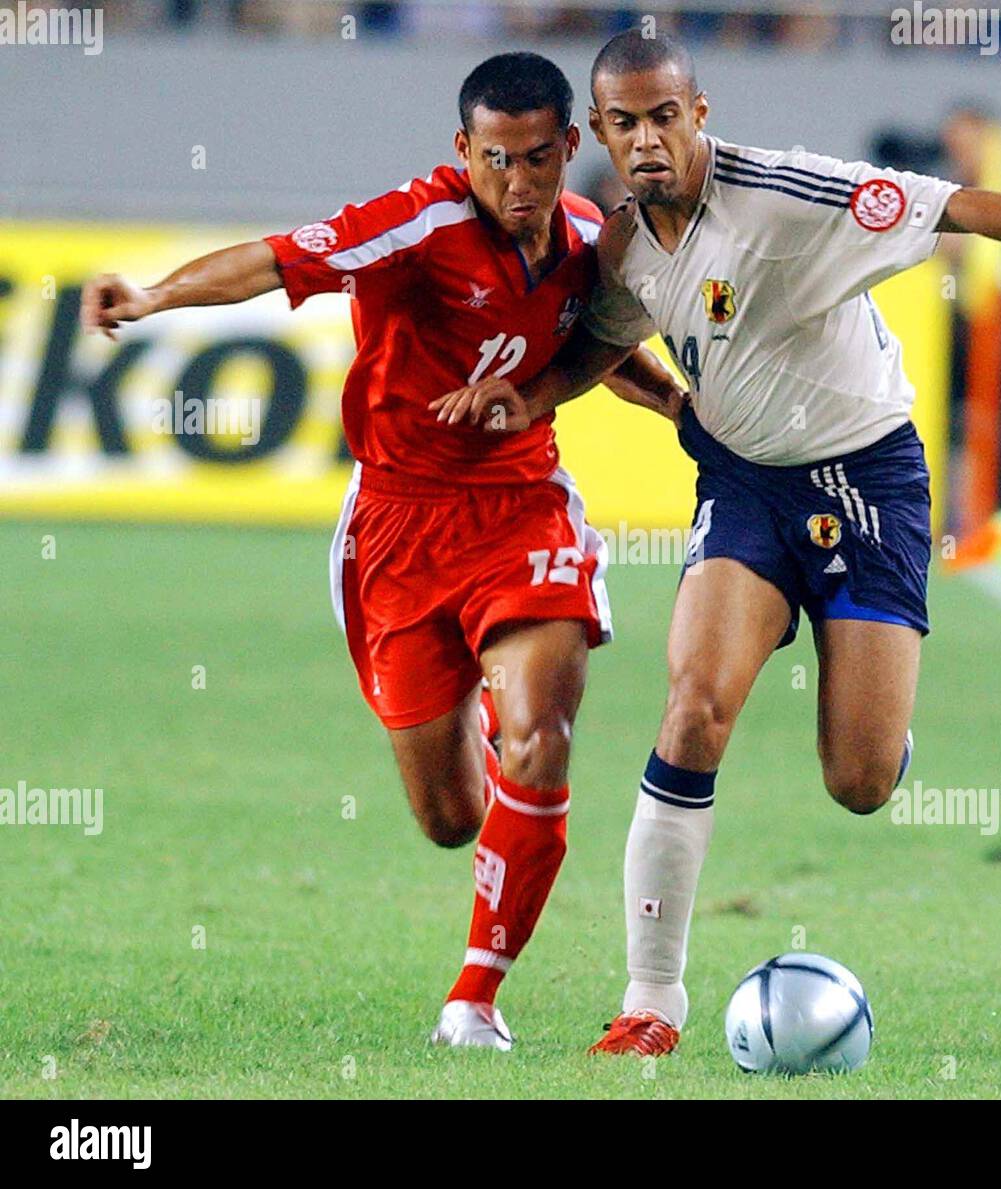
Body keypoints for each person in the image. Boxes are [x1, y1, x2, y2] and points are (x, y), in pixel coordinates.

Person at [432, 29, 1001, 1056]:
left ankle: (883, 732)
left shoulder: (790, 194)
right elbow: (601, 342)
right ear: (602, 133)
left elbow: (954, 203)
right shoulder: (623, 247)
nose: (645, 141)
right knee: (691, 709)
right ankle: (650, 1000)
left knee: (857, 781)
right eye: (623, 124)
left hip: (867, 482)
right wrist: (529, 393)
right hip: (743, 487)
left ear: (698, 112)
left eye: (663, 116)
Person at [80, 51, 680, 1051]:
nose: (520, 185)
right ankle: (496, 763)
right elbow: (275, 260)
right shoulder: (419, 224)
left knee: (543, 731)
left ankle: (473, 999)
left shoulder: (586, 239)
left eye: (539, 159)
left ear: (571, 147)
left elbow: (601, 345)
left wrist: (680, 409)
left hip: (523, 509)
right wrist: (149, 298)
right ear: (463, 150)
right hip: (397, 530)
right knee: (449, 817)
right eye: (498, 160)